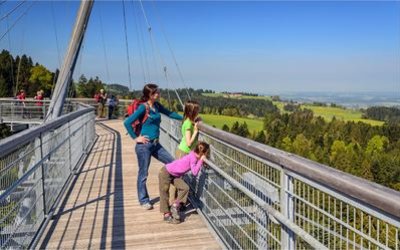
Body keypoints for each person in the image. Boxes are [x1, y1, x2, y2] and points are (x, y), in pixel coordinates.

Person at [123, 83, 183, 210]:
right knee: (143, 173)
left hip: (156, 144)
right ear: (149, 95)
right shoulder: (143, 108)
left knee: (173, 163)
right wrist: (136, 138)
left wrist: (186, 118)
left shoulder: (156, 106)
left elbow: (170, 114)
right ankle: (144, 200)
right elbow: (127, 122)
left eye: (158, 92)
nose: (158, 94)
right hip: (144, 146)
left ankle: (175, 194)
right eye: (155, 93)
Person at [159, 141, 209, 223]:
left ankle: (175, 205)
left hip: (174, 175)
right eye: (206, 153)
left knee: (185, 188)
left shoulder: (193, 154)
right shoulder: (193, 158)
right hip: (166, 172)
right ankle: (166, 214)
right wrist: (201, 161)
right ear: (202, 153)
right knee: (164, 192)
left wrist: (200, 160)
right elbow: (194, 172)